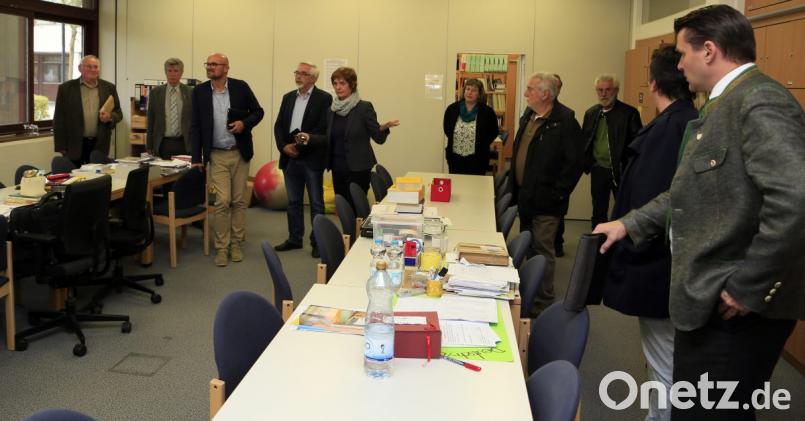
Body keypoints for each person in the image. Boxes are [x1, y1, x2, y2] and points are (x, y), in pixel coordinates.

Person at [594, 5, 805, 420]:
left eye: (682, 52)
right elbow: (686, 192)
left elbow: (796, 197)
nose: (679, 63)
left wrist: (749, 284)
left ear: (709, 50)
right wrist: (629, 222)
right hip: (706, 297)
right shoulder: (720, 104)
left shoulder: (758, 100)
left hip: (733, 302)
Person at [602, 44, 698, 421]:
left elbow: (652, 200)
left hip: (657, 263)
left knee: (664, 360)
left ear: (654, 82)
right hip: (667, 261)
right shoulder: (689, 121)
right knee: (668, 358)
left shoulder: (671, 129)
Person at [511, 72, 584, 315]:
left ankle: (542, 301)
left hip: (547, 201)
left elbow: (575, 163)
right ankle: (527, 291)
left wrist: (558, 194)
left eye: (530, 89)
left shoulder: (565, 121)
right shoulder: (529, 116)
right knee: (529, 245)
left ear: (545, 94)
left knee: (543, 249)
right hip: (526, 196)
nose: (526, 93)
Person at [191, 53, 264, 267]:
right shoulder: (200, 91)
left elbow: (258, 112)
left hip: (239, 152)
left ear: (226, 68)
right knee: (222, 202)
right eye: (208, 64)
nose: (210, 67)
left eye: (214, 64)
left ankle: (236, 243)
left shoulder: (240, 87)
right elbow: (195, 125)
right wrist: (196, 157)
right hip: (216, 154)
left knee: (239, 201)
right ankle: (222, 247)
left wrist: (244, 123)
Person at [273, 62, 333, 258]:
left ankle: (318, 241)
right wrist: (284, 146)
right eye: (296, 72)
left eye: (303, 73)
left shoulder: (324, 98)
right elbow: (279, 126)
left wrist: (302, 143)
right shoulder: (288, 97)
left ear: (313, 78)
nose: (298, 76)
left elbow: (324, 128)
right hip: (290, 157)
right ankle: (294, 238)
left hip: (311, 158)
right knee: (293, 202)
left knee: (316, 203)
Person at [326, 67, 399, 207]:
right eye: (335, 83)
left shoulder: (364, 107)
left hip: (359, 168)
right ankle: (347, 230)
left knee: (356, 206)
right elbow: (328, 137)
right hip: (337, 166)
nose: (338, 87)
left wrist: (384, 127)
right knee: (342, 206)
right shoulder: (331, 110)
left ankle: (358, 229)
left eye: (342, 83)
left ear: (352, 84)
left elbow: (378, 138)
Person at [582, 74, 642, 229]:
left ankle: (621, 248)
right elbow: (585, 141)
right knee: (598, 210)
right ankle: (598, 245)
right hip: (598, 170)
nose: (603, 94)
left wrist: (629, 169)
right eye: (600, 90)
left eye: (608, 90)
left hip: (621, 170)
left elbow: (637, 145)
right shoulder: (591, 113)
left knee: (624, 210)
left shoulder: (629, 114)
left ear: (616, 90)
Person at [53, 55, 122, 167]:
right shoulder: (66, 89)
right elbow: (59, 119)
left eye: (96, 67)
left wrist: (110, 117)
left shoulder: (109, 87)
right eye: (89, 67)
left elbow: (118, 112)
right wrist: (60, 146)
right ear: (80, 68)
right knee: (75, 180)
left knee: (97, 179)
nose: (93, 70)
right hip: (74, 145)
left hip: (99, 144)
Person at [442, 78, 498, 175]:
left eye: (474, 90)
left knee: (476, 187)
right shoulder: (452, 109)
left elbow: (493, 132)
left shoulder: (487, 112)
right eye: (468, 89)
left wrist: (481, 143)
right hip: (455, 158)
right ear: (464, 91)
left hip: (478, 159)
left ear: (479, 94)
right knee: (457, 185)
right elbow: (447, 129)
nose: (470, 92)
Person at [147, 58, 193, 160]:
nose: (172, 74)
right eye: (169, 71)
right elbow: (151, 120)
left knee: (184, 175)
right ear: (165, 72)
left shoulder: (190, 92)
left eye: (176, 71)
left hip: (184, 143)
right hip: (163, 143)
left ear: (181, 73)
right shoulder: (155, 93)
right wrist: (149, 144)